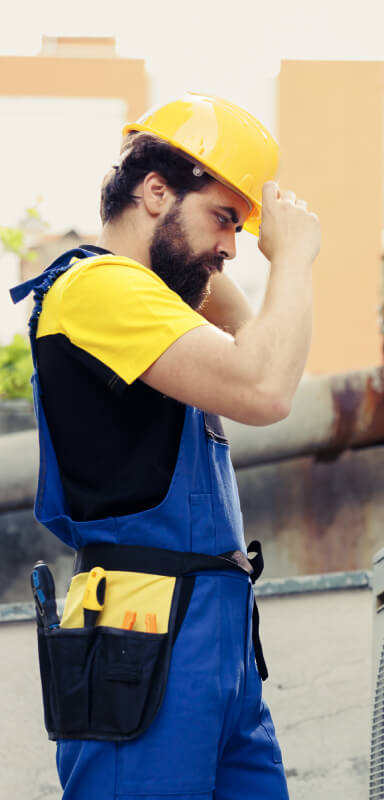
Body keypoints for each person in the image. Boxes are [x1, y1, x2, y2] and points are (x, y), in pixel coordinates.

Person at [11, 93, 320, 799]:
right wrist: (294, 258)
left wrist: (202, 256)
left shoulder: (156, 307)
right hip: (140, 635)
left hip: (218, 637)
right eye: (223, 219)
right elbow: (266, 387)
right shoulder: (99, 288)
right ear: (155, 191)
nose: (232, 247)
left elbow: (267, 356)